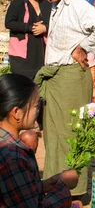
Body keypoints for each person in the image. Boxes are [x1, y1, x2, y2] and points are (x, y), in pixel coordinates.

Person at [34, 0, 95, 197]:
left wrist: (82, 47)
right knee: (54, 136)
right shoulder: (59, 5)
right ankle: (56, 185)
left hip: (70, 78)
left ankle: (74, 191)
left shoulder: (77, 5)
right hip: (57, 79)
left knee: (69, 135)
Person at [0, 73, 78, 207]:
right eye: (36, 106)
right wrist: (63, 188)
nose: (38, 111)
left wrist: (49, 182)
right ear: (16, 113)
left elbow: (18, 192)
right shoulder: (13, 157)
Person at [5, 0, 51, 80]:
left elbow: (56, 24)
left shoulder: (47, 4)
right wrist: (29, 27)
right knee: (22, 87)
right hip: (22, 58)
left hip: (42, 55)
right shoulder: (18, 3)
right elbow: (9, 23)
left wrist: (45, 28)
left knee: (39, 89)